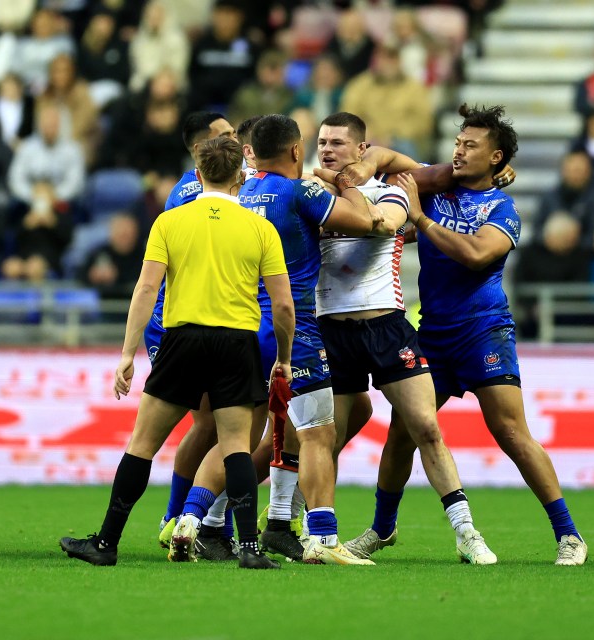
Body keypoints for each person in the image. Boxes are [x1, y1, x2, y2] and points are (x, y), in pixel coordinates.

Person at [337, 104, 588, 566]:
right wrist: (369, 165)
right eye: (457, 142)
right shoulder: (436, 188)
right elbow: (389, 159)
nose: (458, 151)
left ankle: (569, 535)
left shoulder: (503, 208)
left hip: (483, 332)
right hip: (433, 332)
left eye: (470, 146)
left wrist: (422, 219)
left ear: (496, 159)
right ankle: (381, 529)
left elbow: (475, 255)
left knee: (510, 431)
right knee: (403, 433)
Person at [60, 135, 294, 570]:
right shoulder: (261, 228)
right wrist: (283, 356)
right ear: (240, 178)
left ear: (200, 173)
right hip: (235, 342)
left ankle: (107, 543)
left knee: (143, 445)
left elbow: (146, 288)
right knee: (237, 448)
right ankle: (249, 549)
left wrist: (129, 353)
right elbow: (282, 304)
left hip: (182, 340)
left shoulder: (170, 222)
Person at [170, 114, 383, 566]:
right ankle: (322, 538)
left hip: (243, 328)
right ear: (295, 150)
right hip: (295, 329)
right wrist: (340, 181)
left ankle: (192, 519)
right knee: (318, 434)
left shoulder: (238, 193)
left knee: (238, 441)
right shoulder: (298, 191)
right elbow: (365, 221)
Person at [312, 112, 497, 564]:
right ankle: (316, 533)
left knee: (426, 427)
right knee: (325, 440)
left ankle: (466, 533)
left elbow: (383, 222)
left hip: (386, 327)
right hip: (331, 328)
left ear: (362, 151)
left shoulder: (390, 190)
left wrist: (344, 189)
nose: (328, 149)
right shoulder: (309, 194)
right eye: (321, 142)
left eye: (338, 142)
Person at [149, 112, 238, 549]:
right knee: (207, 424)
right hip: (179, 320)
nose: (235, 139)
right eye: (226, 136)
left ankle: (200, 521)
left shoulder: (199, 188)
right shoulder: (191, 193)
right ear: (202, 148)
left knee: (213, 425)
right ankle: (179, 517)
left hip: (195, 318)